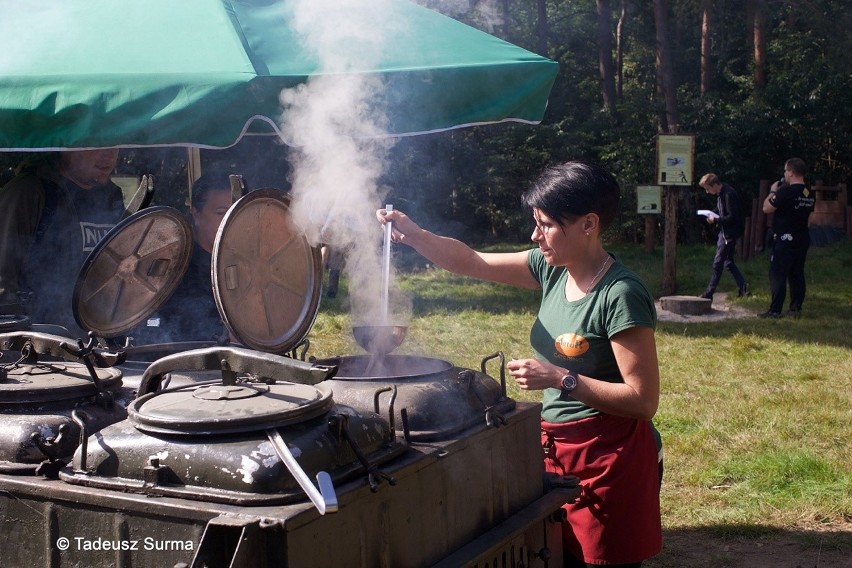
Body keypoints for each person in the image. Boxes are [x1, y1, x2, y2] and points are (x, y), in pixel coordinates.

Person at [377, 161, 661, 567]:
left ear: (588, 224)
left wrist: (560, 378)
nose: (535, 235)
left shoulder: (620, 295)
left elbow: (642, 400)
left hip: (608, 460)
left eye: (545, 224)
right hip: (556, 448)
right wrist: (416, 235)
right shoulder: (551, 269)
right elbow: (472, 262)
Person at [0, 149, 125, 336]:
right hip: (39, 346)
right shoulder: (29, 191)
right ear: (66, 146)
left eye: (114, 144)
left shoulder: (111, 197)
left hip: (96, 340)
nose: (108, 154)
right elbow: (3, 278)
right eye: (95, 143)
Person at [134, 170, 244, 343]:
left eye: (235, 212)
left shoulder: (248, 263)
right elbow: (166, 328)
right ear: (195, 213)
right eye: (221, 213)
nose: (229, 220)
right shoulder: (175, 268)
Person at [760, 157, 815, 318]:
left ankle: (775, 310)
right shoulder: (809, 192)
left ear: (790, 172)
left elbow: (766, 208)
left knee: (778, 273)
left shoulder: (784, 191)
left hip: (784, 238)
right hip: (802, 238)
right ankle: (795, 307)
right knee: (797, 273)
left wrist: (772, 191)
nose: (784, 173)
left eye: (785, 170)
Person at [697, 173, 749, 300]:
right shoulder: (721, 193)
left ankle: (709, 294)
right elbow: (722, 211)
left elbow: (733, 217)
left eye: (707, 188)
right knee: (728, 262)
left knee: (718, 262)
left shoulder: (728, 194)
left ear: (714, 185)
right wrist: (714, 215)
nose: (707, 192)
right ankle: (744, 288)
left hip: (729, 234)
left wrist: (716, 220)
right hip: (725, 232)